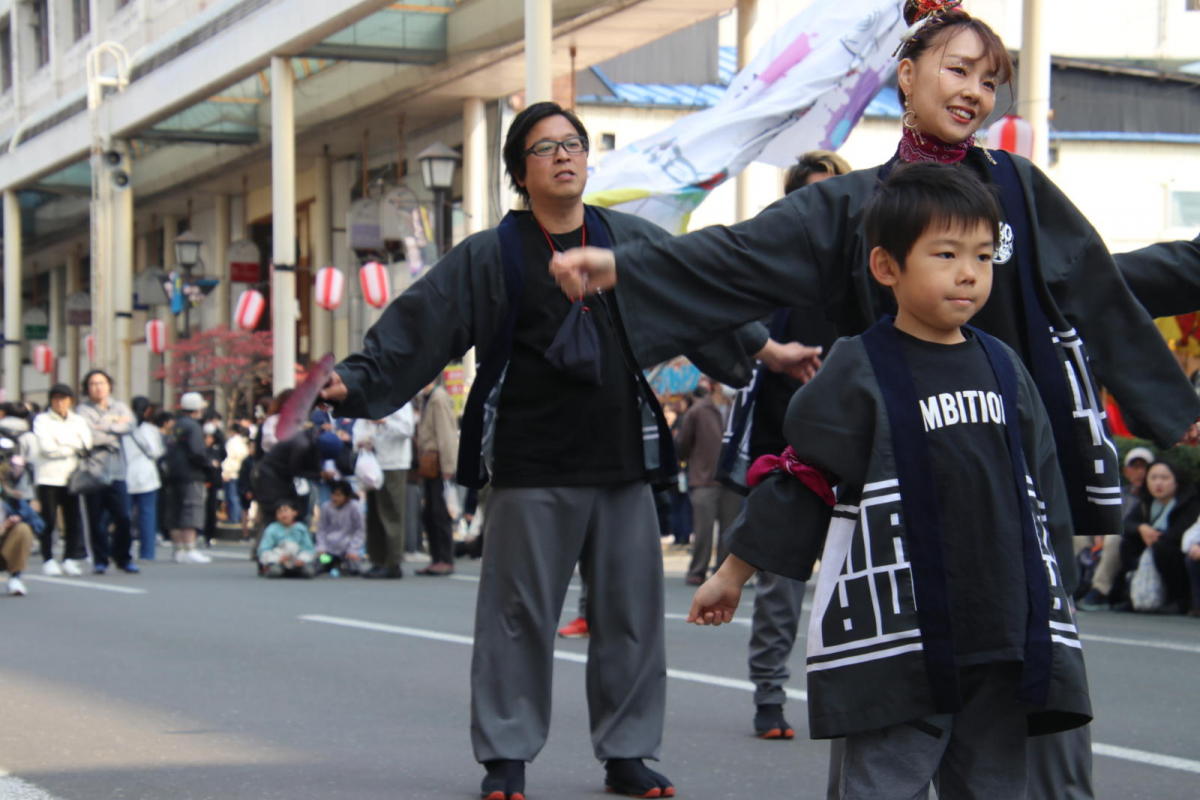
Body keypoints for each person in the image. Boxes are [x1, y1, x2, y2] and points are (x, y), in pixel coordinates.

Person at [551, 7, 1200, 794]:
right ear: (906, 74)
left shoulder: (1020, 190)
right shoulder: (856, 208)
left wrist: (1171, 407)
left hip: (1014, 490)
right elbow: (743, 255)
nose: (974, 92)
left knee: (1038, 705)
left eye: (990, 80)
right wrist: (633, 268)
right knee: (893, 710)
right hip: (901, 486)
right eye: (957, 70)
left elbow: (1097, 284)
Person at [318, 101, 786, 800]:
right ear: (520, 171)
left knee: (629, 616)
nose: (565, 156)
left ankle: (627, 751)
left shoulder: (625, 240)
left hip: (623, 460)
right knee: (517, 617)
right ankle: (506, 756)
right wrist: (352, 381)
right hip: (531, 464)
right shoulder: (491, 254)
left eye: (574, 144)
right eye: (546, 148)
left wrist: (767, 348)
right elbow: (422, 320)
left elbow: (698, 295)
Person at [690, 161, 1090, 797]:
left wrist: (1058, 595)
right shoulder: (860, 367)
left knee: (993, 787)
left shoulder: (1006, 367)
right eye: (946, 253)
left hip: (1003, 629)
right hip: (900, 635)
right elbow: (802, 482)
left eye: (983, 256)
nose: (968, 272)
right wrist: (731, 573)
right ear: (886, 267)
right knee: (881, 785)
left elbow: (1041, 492)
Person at [725, 150, 849, 740]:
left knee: (856, 587)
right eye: (811, 194)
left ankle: (860, 699)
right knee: (779, 582)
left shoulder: (868, 273)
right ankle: (769, 697)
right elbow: (733, 328)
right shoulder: (772, 275)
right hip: (787, 451)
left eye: (833, 193)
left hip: (857, 454)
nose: (822, 205)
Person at [1118, 459, 1200, 614]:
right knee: (1127, 543)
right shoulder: (1146, 502)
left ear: (1176, 481)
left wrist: (1154, 536)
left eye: (1164, 478)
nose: (1158, 483)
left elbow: (1180, 533)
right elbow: (1126, 524)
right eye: (1153, 478)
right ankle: (1129, 595)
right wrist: (1141, 528)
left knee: (1163, 548)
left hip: (1175, 552)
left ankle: (1177, 599)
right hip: (1151, 547)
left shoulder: (1188, 502)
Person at [677, 381, 739, 586]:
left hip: (731, 480)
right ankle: (697, 570)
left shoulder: (737, 408)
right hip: (703, 479)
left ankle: (722, 573)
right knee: (702, 530)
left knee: (729, 531)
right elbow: (683, 444)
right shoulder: (697, 410)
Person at [1077, 446, 1153, 611]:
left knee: (1114, 537)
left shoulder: (1150, 498)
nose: (1139, 472)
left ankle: (1099, 590)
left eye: (1144, 467)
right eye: (1134, 467)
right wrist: (1098, 535)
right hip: (1106, 535)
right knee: (1078, 536)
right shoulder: (1118, 492)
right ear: (1126, 471)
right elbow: (1100, 515)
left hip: (1129, 541)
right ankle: (1073, 583)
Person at [77, 370, 137, 574]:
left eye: (102, 383)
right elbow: (87, 436)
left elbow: (130, 425)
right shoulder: (82, 410)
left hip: (117, 471)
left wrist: (102, 426)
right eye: (93, 384)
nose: (98, 387)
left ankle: (123, 558)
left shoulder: (119, 406)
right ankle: (100, 559)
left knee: (123, 517)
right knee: (96, 519)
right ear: (87, 388)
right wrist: (113, 425)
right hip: (93, 472)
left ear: (109, 385)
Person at [32, 383, 92, 577]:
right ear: (50, 400)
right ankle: (48, 558)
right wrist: (71, 447)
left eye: (64, 398)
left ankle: (69, 558)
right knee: (48, 520)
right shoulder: (42, 419)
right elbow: (46, 447)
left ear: (70, 400)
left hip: (73, 476)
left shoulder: (78, 420)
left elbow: (86, 443)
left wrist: (63, 445)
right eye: (56, 398)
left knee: (72, 519)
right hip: (48, 477)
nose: (60, 402)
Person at [352, 402, 414, 579]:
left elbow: (407, 429)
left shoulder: (401, 401)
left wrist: (384, 422)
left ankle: (392, 562)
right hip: (372, 465)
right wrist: (361, 441)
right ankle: (377, 560)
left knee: (391, 513)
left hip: (394, 463)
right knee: (375, 515)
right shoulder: (370, 399)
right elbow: (359, 428)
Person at [416, 376, 457, 577]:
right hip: (429, 463)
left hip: (439, 463)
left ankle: (445, 559)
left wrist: (448, 466)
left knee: (439, 512)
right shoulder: (426, 398)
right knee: (429, 513)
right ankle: (436, 558)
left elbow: (447, 433)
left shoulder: (437, 398)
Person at [165, 392, 213, 564]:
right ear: (197, 409)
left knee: (175, 511)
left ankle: (178, 550)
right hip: (191, 474)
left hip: (173, 474)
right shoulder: (193, 427)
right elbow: (197, 452)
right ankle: (190, 548)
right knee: (192, 509)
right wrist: (208, 465)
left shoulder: (175, 425)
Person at [125, 397, 165, 562]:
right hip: (146, 475)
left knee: (124, 517)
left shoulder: (125, 427)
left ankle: (123, 550)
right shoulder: (149, 429)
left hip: (126, 474)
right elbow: (157, 452)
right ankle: (147, 552)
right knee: (147, 515)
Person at [315, 480, 366, 576]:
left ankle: (342, 565)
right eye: (333, 494)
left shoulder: (355, 507)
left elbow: (360, 530)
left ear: (347, 497)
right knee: (319, 564)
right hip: (329, 550)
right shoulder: (326, 507)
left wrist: (353, 549)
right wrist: (321, 548)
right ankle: (333, 565)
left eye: (338, 495)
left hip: (347, 551)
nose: (335, 498)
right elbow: (321, 530)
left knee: (354, 569)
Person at [257, 500, 316, 578]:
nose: (283, 514)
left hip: (296, 560)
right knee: (275, 571)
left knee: (309, 572)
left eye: (286, 511)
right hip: (278, 561)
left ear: (294, 512)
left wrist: (301, 559)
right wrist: (278, 558)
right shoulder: (272, 529)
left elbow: (308, 549)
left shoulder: (301, 528)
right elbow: (263, 549)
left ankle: (295, 570)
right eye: (279, 512)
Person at [221, 423, 251, 525]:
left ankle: (234, 518)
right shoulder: (243, 442)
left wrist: (226, 472)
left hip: (231, 471)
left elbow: (228, 458)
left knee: (231, 496)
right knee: (236, 496)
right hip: (240, 471)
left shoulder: (231, 442)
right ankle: (238, 517)